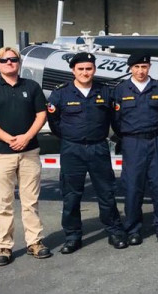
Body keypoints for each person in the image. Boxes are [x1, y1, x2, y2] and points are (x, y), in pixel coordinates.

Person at [0, 46, 51, 266]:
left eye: (14, 59)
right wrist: (10, 139)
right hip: (1, 154)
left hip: (29, 152)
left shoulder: (32, 86)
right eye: (5, 60)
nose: (10, 63)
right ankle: (4, 246)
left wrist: (26, 137)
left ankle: (34, 242)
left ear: (19, 63)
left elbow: (41, 115)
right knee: (3, 202)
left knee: (30, 201)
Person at [46, 52, 128, 254]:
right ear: (73, 70)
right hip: (72, 149)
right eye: (81, 69)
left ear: (94, 69)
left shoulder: (105, 92)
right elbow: (54, 123)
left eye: (88, 68)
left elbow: (115, 118)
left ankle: (114, 231)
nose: (85, 72)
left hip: (98, 148)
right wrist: (70, 137)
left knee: (106, 193)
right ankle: (73, 236)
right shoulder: (61, 93)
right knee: (71, 196)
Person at [112, 52, 158, 245]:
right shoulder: (121, 90)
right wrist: (127, 137)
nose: (140, 71)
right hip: (133, 142)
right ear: (130, 68)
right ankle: (133, 229)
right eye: (136, 67)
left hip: (156, 140)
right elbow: (115, 120)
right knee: (133, 187)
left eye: (144, 67)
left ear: (149, 67)